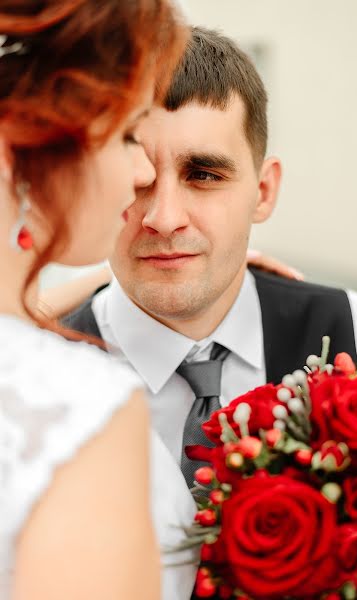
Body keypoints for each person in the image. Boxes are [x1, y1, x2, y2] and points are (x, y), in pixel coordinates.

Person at [62, 26, 357, 488]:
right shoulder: (40, 371)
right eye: (136, 178)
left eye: (202, 174)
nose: (163, 218)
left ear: (263, 192)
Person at [0, 2, 197, 600]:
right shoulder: (76, 409)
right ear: (30, 132)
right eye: (132, 132)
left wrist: (106, 281)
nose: (143, 172)